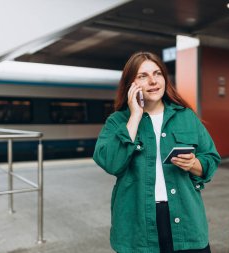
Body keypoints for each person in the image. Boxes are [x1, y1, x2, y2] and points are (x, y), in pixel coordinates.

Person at [93, 51, 221, 253]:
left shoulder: (186, 116)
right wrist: (135, 116)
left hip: (186, 220)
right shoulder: (117, 121)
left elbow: (211, 159)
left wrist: (194, 164)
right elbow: (111, 163)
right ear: (130, 84)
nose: (153, 81)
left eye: (157, 73)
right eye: (142, 76)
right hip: (137, 226)